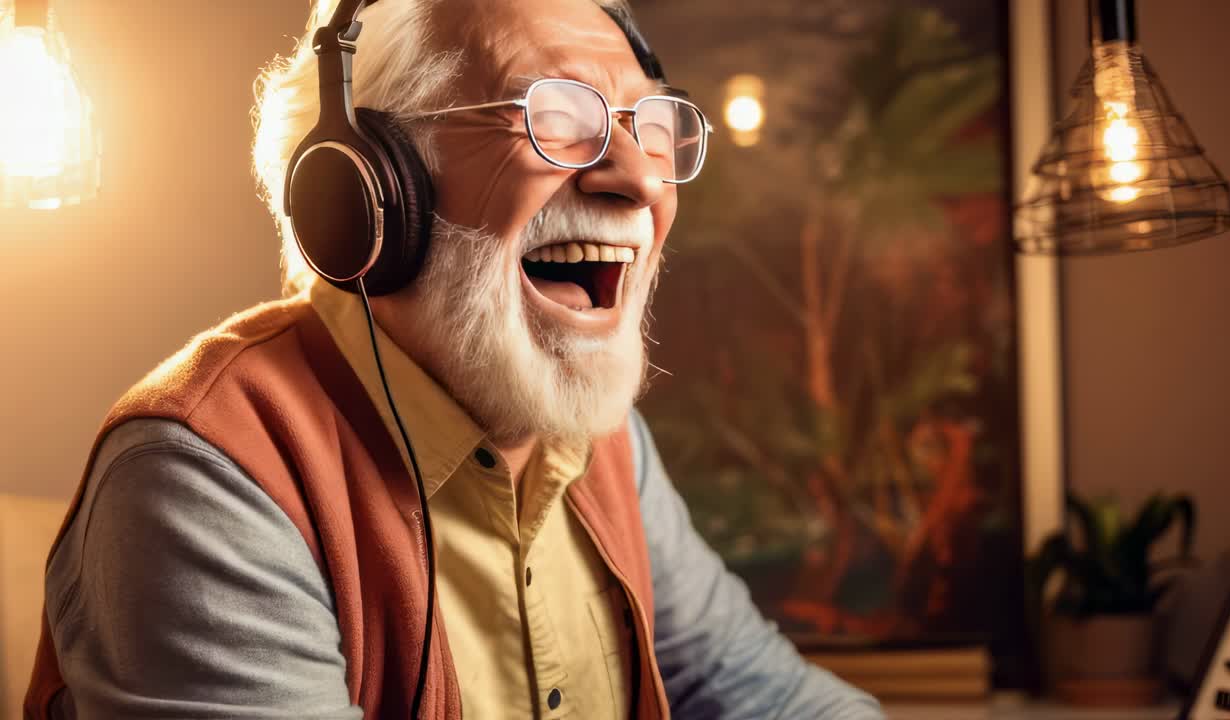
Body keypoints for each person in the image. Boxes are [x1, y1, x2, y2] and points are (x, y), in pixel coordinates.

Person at [25, 0, 886, 718]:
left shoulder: (607, 447)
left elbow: (761, 695)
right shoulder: (201, 477)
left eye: (649, 126)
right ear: (367, 186)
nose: (639, 180)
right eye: (556, 117)